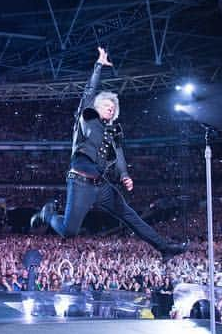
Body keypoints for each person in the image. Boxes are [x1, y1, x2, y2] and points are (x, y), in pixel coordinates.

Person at [31, 46, 186, 261]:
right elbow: (88, 93)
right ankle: (48, 214)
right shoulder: (86, 118)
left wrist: (124, 175)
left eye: (113, 107)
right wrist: (98, 67)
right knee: (69, 232)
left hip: (102, 185)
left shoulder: (113, 131)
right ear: (96, 106)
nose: (110, 108)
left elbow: (119, 155)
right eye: (106, 105)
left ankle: (164, 248)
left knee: (131, 216)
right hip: (80, 182)